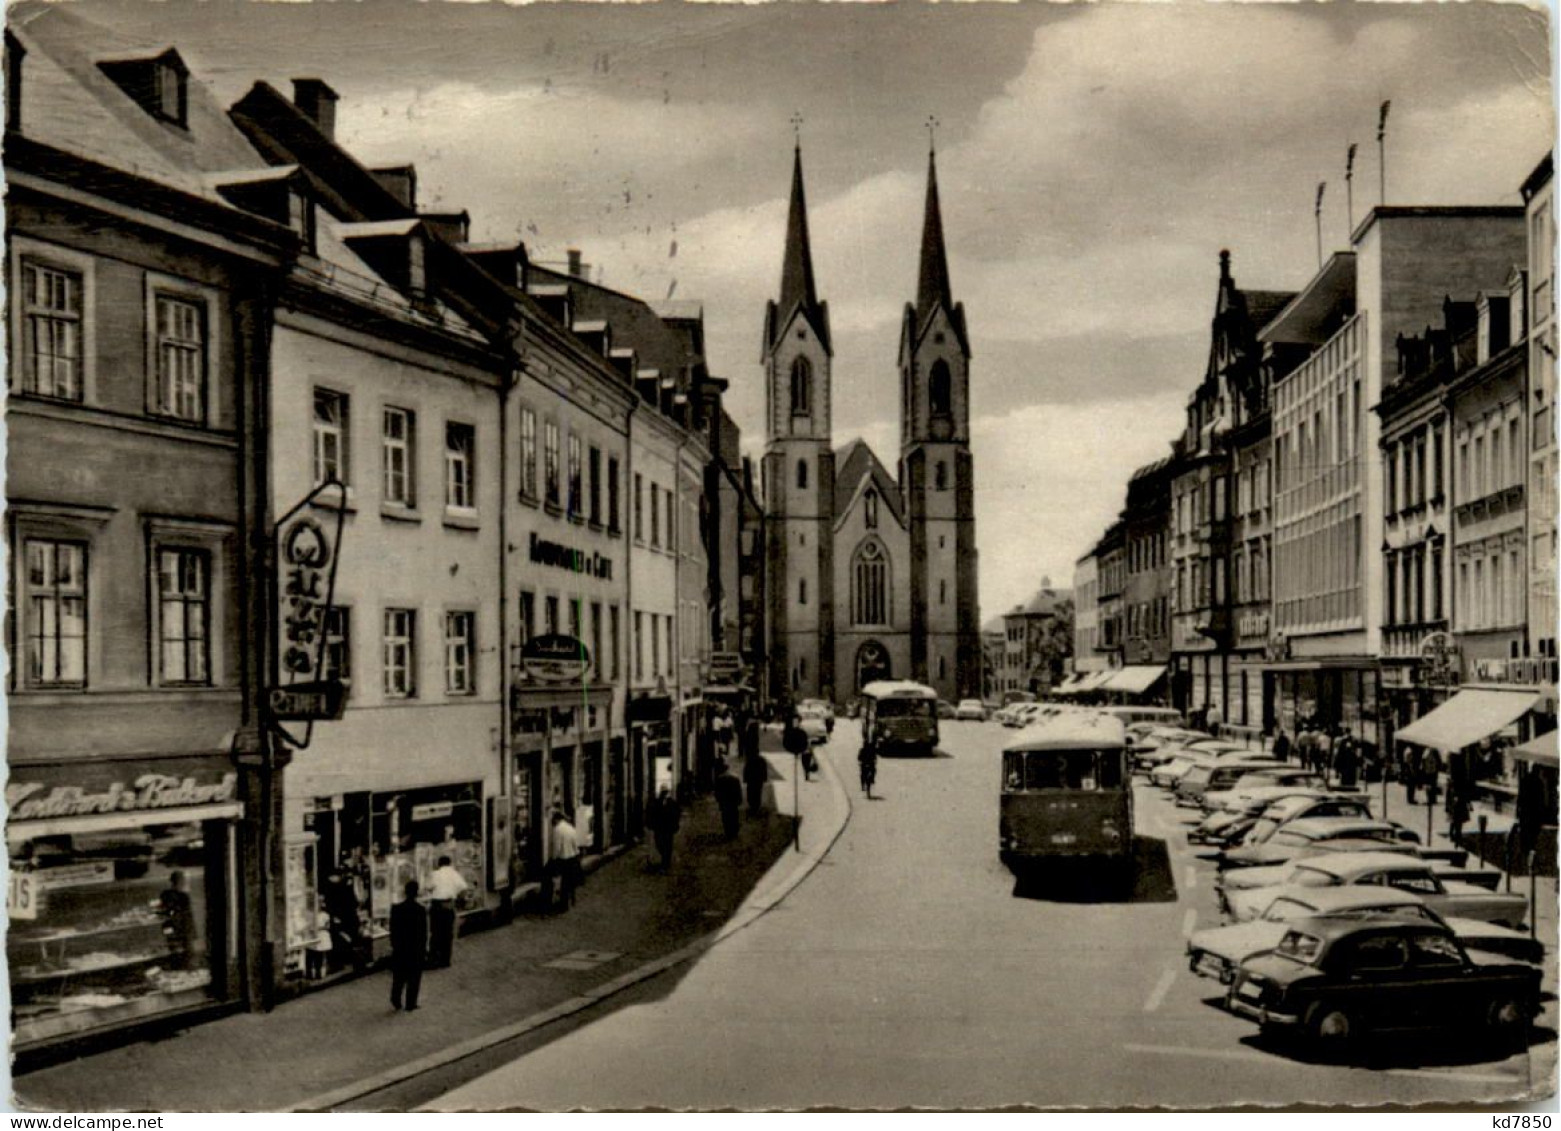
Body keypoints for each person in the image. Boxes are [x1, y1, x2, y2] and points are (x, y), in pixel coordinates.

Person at [389, 879, 427, 1012]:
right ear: (416, 893)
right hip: (415, 948)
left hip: (400, 947)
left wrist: (394, 945)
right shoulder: (420, 910)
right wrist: (424, 948)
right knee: (414, 976)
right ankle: (411, 1003)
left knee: (399, 975)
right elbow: (423, 932)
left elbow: (393, 930)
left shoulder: (396, 909)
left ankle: (396, 999)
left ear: (405, 892)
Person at [425, 855, 468, 969]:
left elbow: (428, 887)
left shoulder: (436, 874)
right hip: (449, 905)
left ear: (439, 863)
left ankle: (434, 959)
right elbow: (463, 888)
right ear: (450, 863)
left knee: (435, 933)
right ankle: (445, 960)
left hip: (437, 906)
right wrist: (459, 901)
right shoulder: (454, 873)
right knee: (448, 933)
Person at [158, 871, 196, 970]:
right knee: (186, 955)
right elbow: (187, 916)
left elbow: (165, 912)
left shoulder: (165, 894)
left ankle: (177, 969)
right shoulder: (183, 896)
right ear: (181, 881)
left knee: (174, 951)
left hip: (171, 929)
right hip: (183, 931)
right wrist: (191, 934)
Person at [548, 810, 583, 910]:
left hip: (563, 859)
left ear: (556, 819)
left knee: (563, 881)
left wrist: (553, 859)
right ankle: (572, 900)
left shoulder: (557, 830)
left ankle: (563, 904)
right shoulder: (570, 828)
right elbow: (575, 844)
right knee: (570, 880)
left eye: (553, 820)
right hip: (572, 857)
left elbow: (557, 847)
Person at [648, 786, 681, 871]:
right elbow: (652, 813)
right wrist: (651, 824)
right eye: (663, 792)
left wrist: (675, 825)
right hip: (659, 828)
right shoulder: (657, 802)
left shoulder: (672, 803)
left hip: (668, 828)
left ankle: (666, 862)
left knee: (668, 845)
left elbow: (676, 815)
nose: (664, 794)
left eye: (665, 792)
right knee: (659, 843)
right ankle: (664, 858)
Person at [714, 764, 743, 840]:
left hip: (724, 801)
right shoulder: (734, 778)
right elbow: (738, 790)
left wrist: (718, 799)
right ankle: (734, 831)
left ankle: (728, 831)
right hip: (733, 800)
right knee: (734, 815)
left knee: (726, 816)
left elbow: (717, 791)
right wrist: (739, 799)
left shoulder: (719, 779)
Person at [783, 711, 812, 781]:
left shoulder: (801, 732)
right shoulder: (794, 732)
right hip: (796, 747)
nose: (795, 723)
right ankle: (807, 773)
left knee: (806, 760)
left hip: (800, 748)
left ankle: (807, 773)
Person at [743, 744, 769, 817]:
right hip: (758, 780)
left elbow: (746, 770)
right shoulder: (761, 760)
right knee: (757, 793)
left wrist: (745, 779)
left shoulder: (750, 760)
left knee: (751, 793)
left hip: (752, 780)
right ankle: (756, 807)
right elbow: (764, 770)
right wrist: (764, 778)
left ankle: (753, 806)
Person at [307, 909, 333, 980]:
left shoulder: (325, 915)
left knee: (320, 953)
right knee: (311, 954)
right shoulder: (310, 914)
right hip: (312, 936)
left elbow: (328, 926)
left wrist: (318, 928)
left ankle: (319, 972)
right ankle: (310, 973)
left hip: (321, 936)